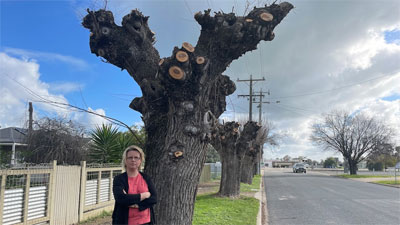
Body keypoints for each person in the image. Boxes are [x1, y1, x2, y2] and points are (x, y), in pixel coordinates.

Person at [112, 145, 157, 225]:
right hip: (124, 221)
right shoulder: (119, 179)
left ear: (140, 160)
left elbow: (154, 198)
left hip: (146, 222)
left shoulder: (146, 178)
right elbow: (121, 199)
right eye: (130, 157)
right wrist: (144, 195)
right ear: (125, 160)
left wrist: (137, 205)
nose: (133, 160)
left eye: (136, 157)